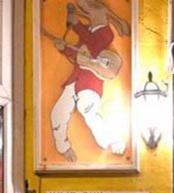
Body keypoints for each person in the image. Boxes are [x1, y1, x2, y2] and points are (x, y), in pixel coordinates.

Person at [47, 0, 129, 161]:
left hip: (90, 82)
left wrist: (76, 24)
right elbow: (81, 53)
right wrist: (63, 48)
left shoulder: (106, 33)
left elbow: (92, 43)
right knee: (58, 112)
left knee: (88, 109)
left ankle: (111, 140)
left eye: (87, 10)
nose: (85, 12)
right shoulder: (88, 32)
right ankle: (63, 147)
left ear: (100, 12)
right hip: (75, 79)